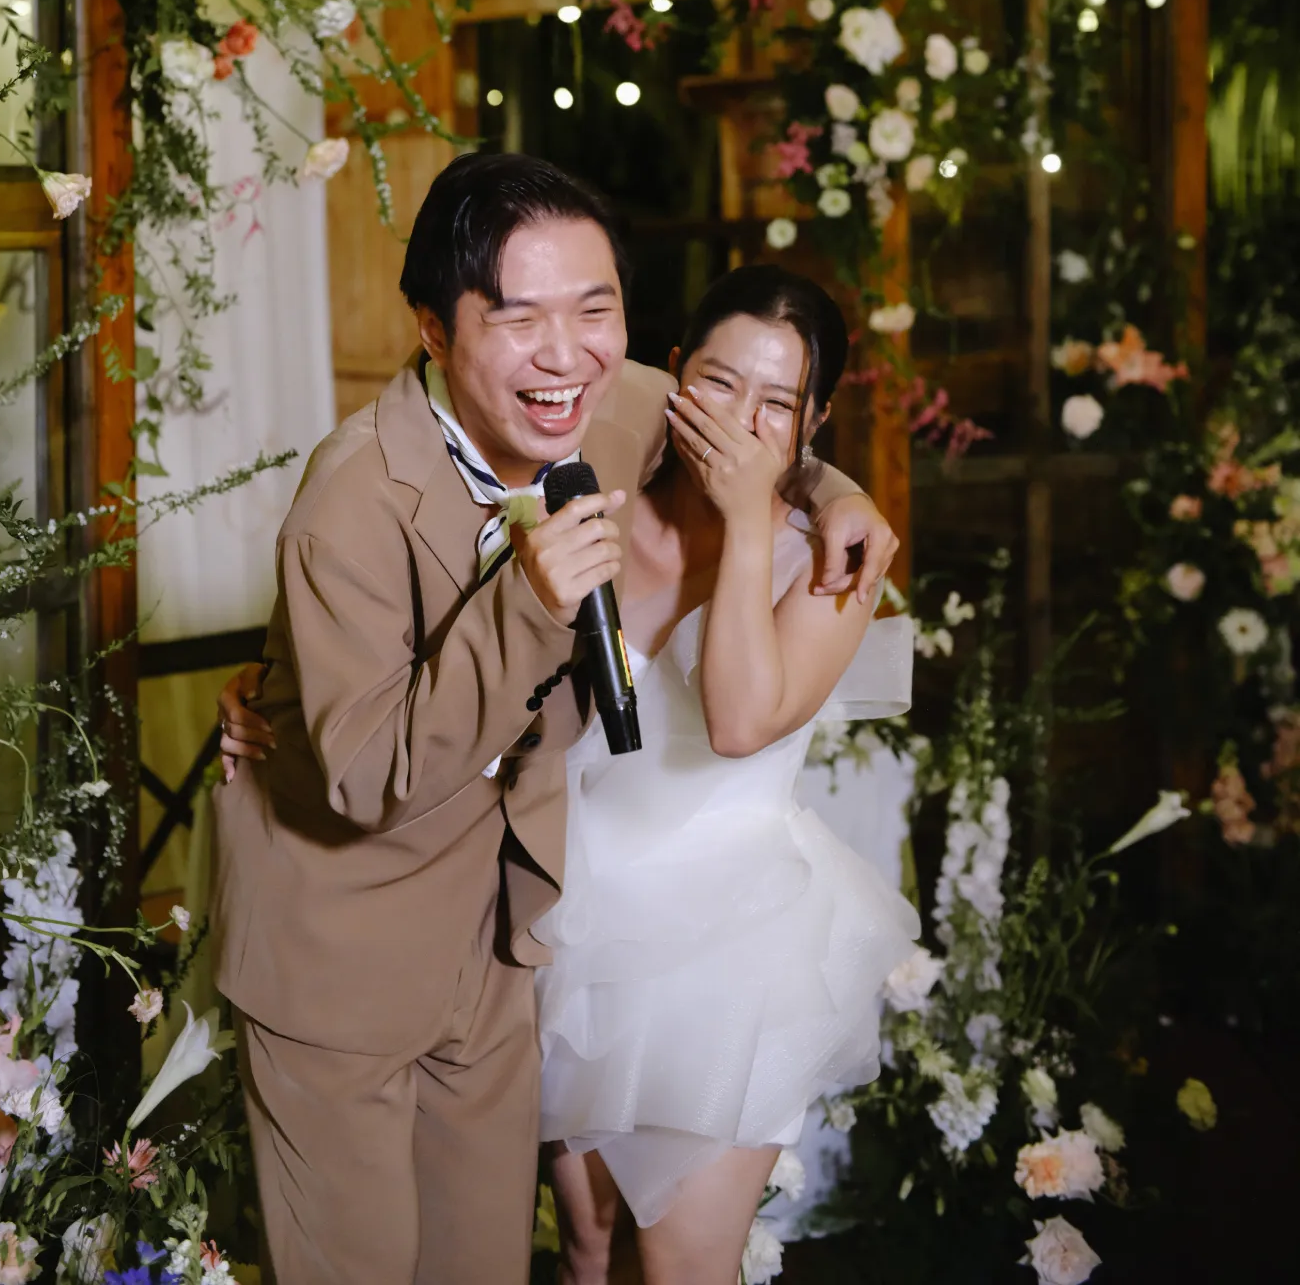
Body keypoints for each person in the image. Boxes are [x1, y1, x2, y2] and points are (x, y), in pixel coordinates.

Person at [211, 153, 896, 1285]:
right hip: (345, 949)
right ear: (433, 328)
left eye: (596, 309)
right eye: (518, 315)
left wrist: (835, 491)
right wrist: (528, 602)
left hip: (505, 942)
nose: (566, 351)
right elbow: (367, 771)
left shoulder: (613, 399)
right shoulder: (348, 502)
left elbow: (757, 425)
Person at [536, 265, 918, 1285]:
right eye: (715, 383)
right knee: (585, 1250)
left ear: (814, 419)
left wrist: (759, 517)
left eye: (778, 403)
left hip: (727, 962)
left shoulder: (830, 565)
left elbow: (742, 719)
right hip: (568, 935)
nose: (740, 423)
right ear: (671, 374)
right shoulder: (596, 489)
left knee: (678, 1265)